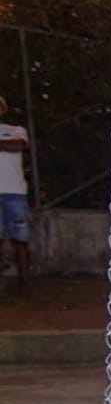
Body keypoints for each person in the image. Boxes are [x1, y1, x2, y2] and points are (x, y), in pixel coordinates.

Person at [0, 96, 31, 291]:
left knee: (20, 239)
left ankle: (24, 283)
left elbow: (19, 145)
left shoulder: (17, 130)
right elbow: (10, 146)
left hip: (15, 192)